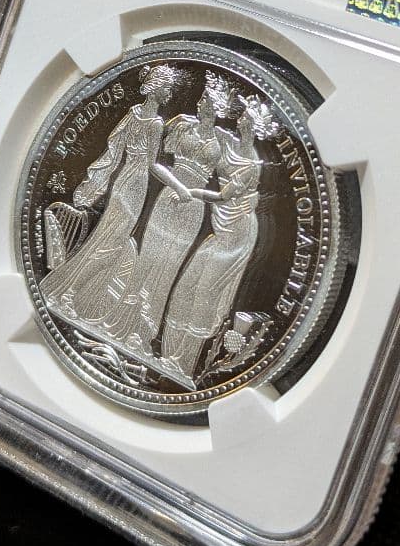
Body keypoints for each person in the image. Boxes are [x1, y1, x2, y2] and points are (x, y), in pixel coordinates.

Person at [102, 72, 236, 350]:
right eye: (201, 98)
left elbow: (230, 189)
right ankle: (117, 321)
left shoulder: (224, 142)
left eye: (206, 99)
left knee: (168, 269)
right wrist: (178, 187)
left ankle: (143, 334)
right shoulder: (182, 125)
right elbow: (156, 164)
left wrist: (195, 194)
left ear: (216, 106)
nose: (200, 103)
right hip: (169, 198)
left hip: (193, 208)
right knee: (146, 260)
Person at [39, 64, 183, 322]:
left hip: (122, 183)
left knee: (102, 241)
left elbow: (114, 152)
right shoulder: (155, 123)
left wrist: (97, 183)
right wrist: (180, 187)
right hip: (135, 186)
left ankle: (69, 293)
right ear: (157, 88)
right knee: (110, 246)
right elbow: (152, 165)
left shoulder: (133, 112)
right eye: (168, 89)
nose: (170, 94)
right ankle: (70, 294)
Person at [160, 93, 280, 383]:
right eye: (241, 116)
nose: (240, 119)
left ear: (255, 127)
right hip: (219, 229)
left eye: (246, 118)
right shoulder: (228, 142)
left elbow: (222, 196)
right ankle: (170, 356)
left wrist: (189, 192)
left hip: (236, 233)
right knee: (188, 286)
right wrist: (184, 118)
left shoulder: (253, 166)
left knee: (205, 293)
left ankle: (186, 365)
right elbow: (207, 127)